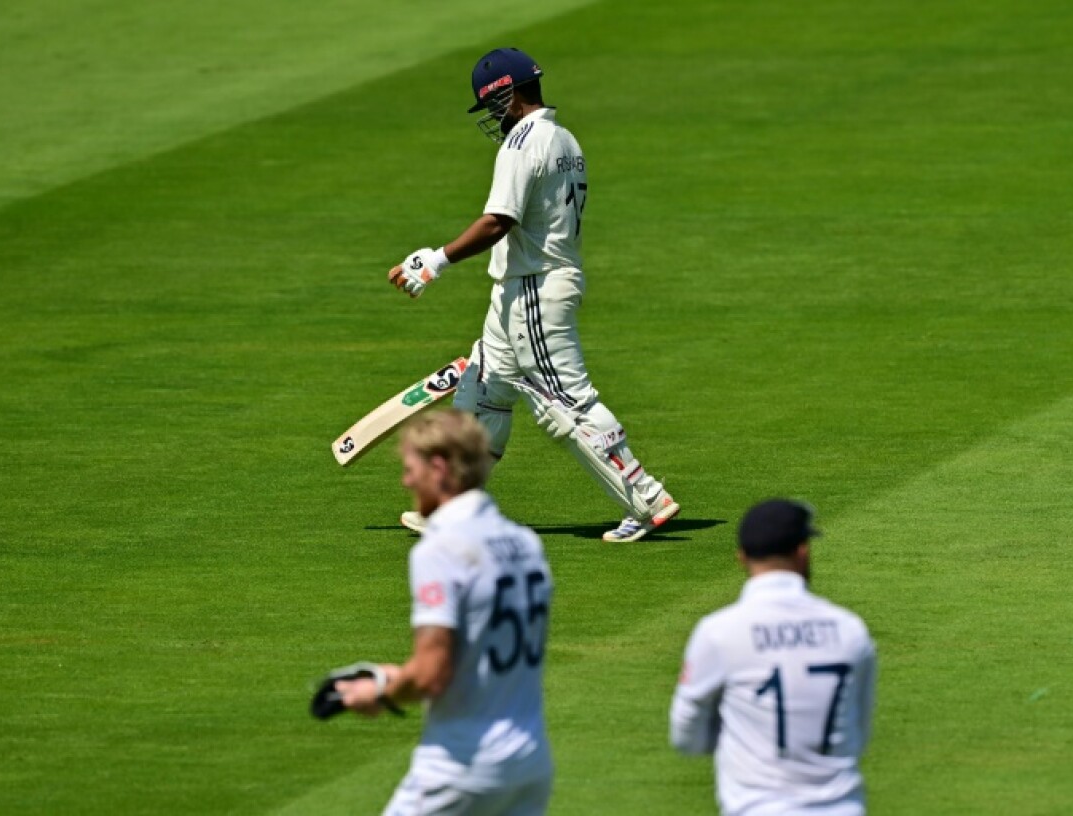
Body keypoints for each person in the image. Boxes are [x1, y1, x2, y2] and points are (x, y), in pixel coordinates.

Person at [385, 46, 679, 543]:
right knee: (483, 389)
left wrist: (435, 261)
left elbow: (499, 221)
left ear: (509, 93)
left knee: (566, 402)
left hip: (534, 292)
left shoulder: (522, 142)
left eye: (493, 105)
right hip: (519, 290)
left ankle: (646, 497)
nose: (492, 118)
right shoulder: (564, 138)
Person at [336, 409, 554, 815]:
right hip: (530, 761)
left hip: (461, 765)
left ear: (438, 468)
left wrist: (380, 692)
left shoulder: (442, 547)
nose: (405, 482)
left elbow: (433, 671)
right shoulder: (526, 544)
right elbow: (482, 651)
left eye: (409, 469)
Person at [670, 500, 877, 816]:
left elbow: (687, 736)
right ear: (803, 551)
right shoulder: (850, 630)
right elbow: (858, 733)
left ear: (741, 557)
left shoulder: (720, 632)